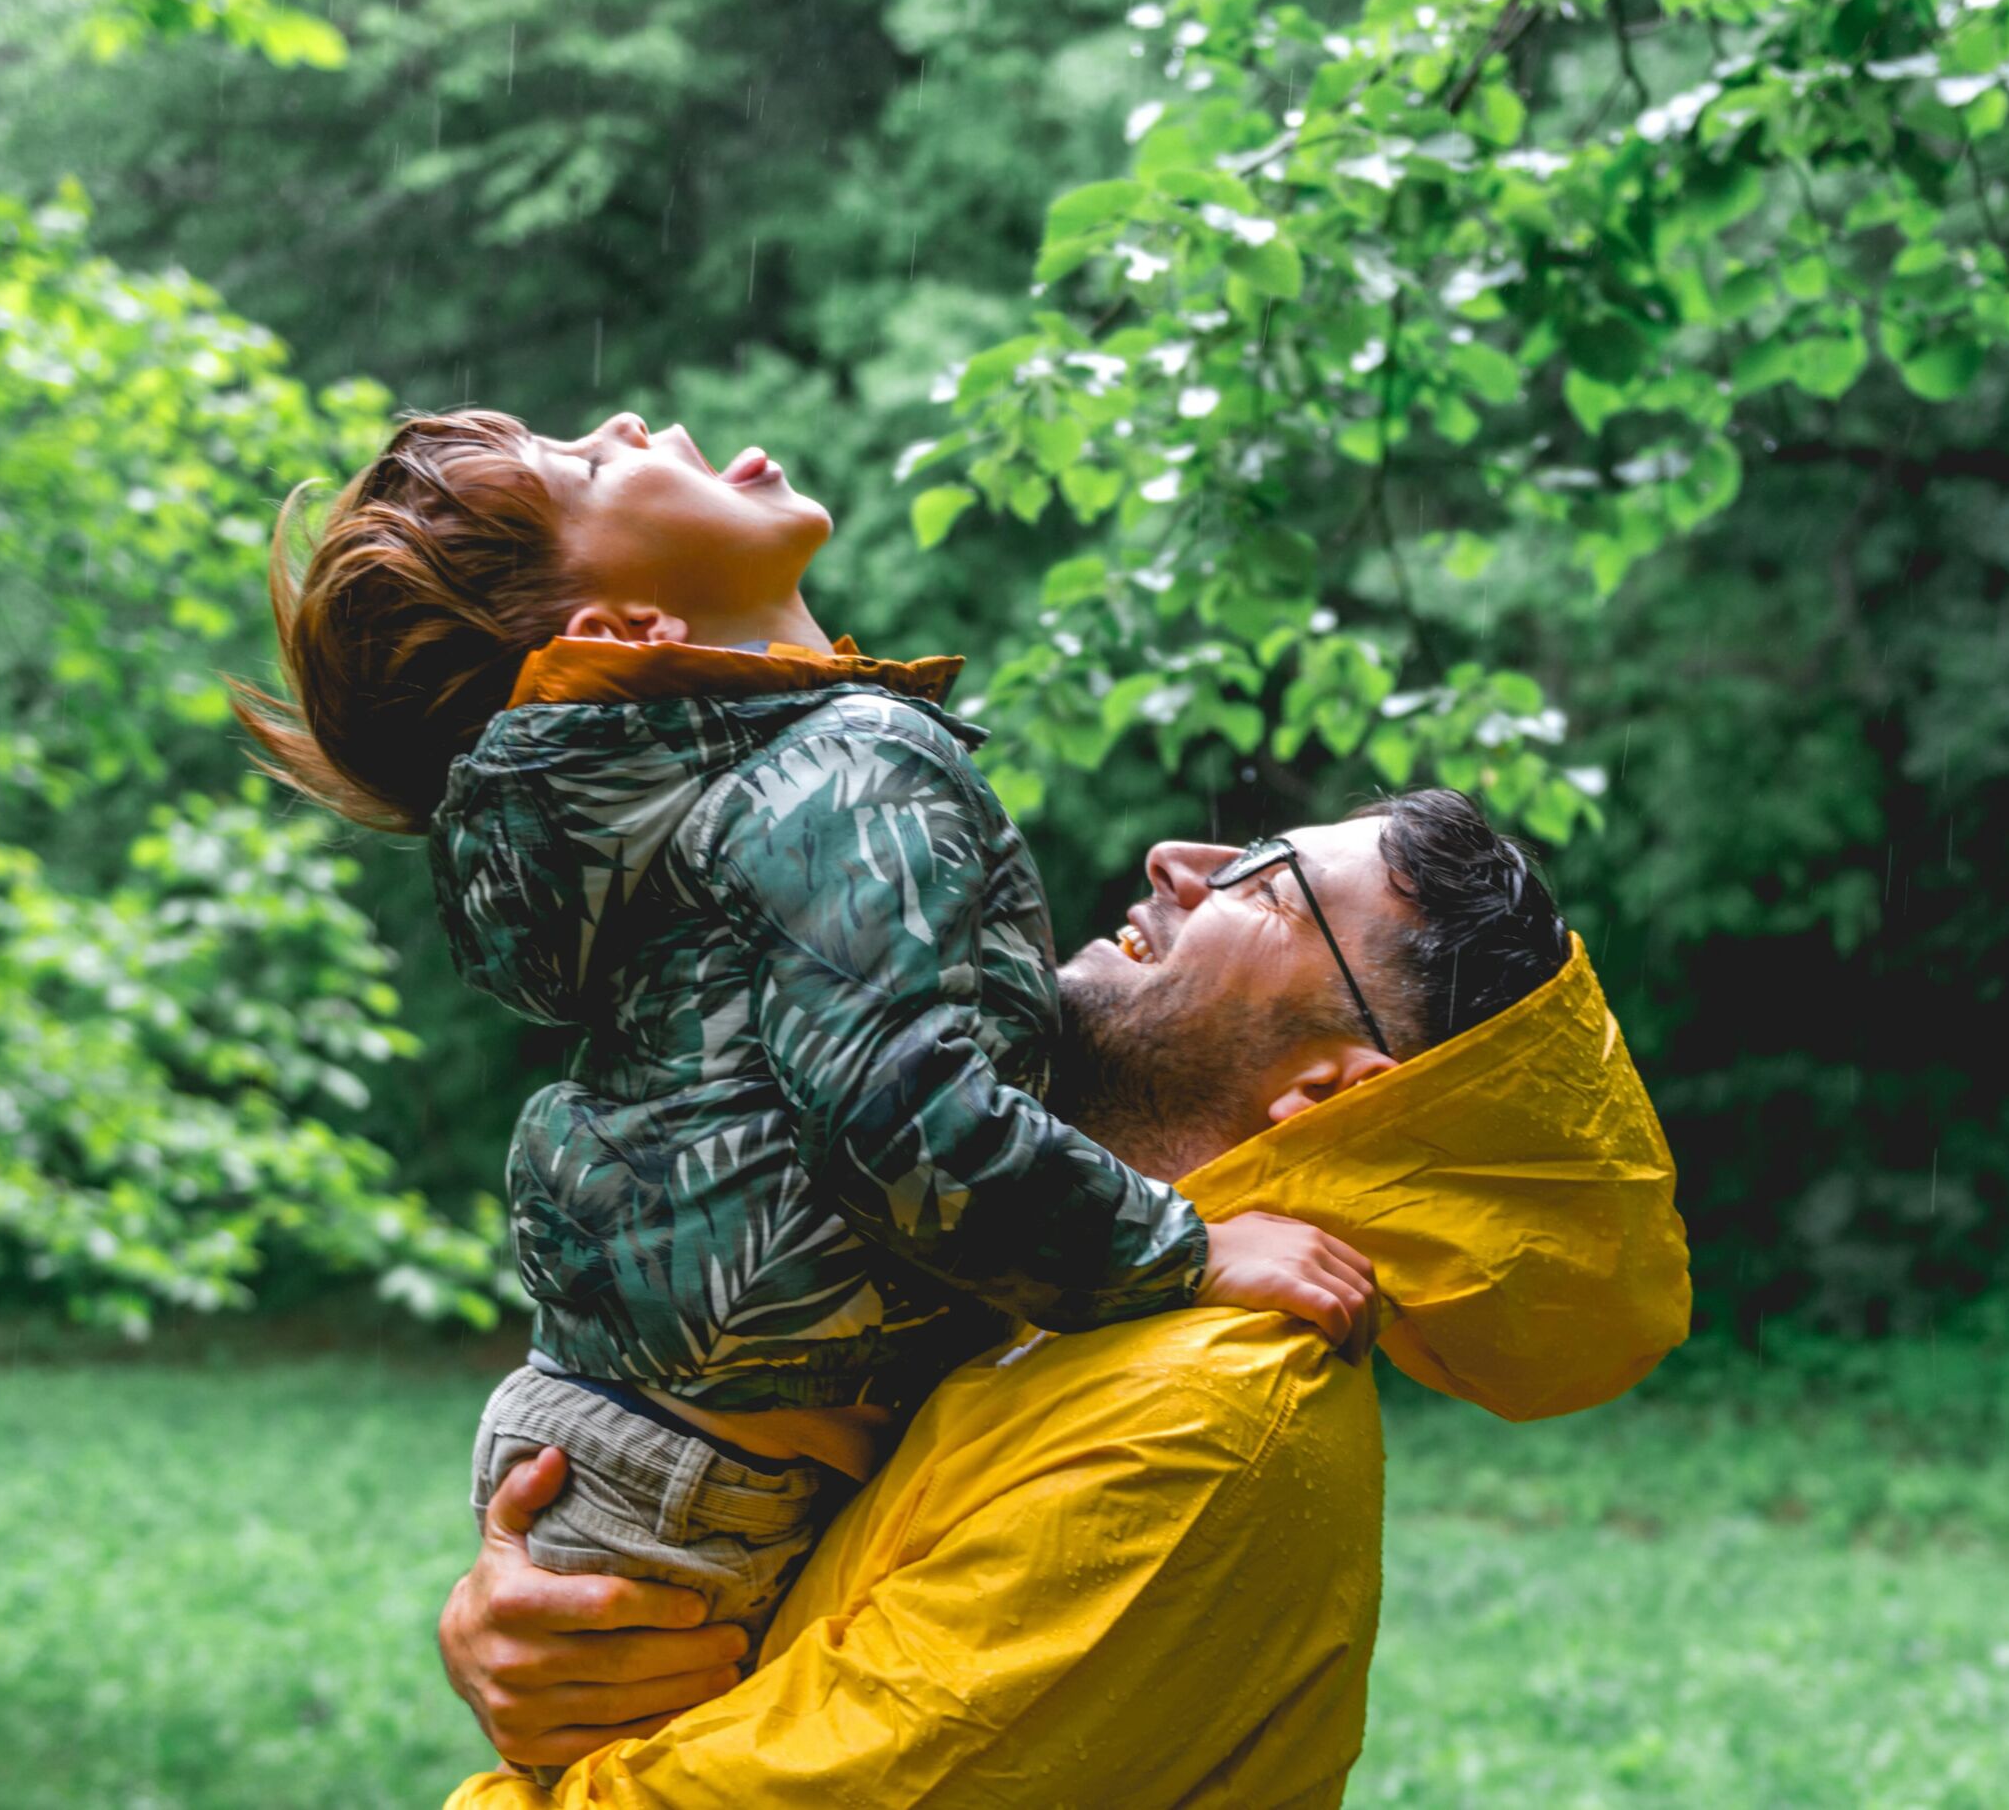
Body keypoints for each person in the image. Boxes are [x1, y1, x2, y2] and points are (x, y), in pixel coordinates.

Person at [230, 407, 1373, 1683]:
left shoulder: (716, 801)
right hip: (705, 1489)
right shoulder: (843, 763)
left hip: (635, 1450)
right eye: (594, 465)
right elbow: (908, 1121)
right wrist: (1189, 1252)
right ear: (617, 632)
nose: (635, 422)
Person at [438, 791, 1693, 1806]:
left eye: (1264, 879)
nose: (1175, 859)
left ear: (1327, 1092)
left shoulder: (1212, 1413)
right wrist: (537, 1633)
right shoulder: (1021, 1291)